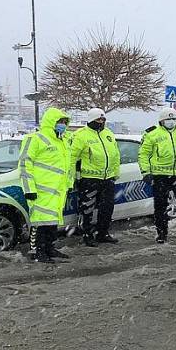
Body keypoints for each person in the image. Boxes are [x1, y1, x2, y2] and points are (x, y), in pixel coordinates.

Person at [18, 107, 74, 263]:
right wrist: (29, 189)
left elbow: (67, 166)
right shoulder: (35, 139)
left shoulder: (63, 141)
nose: (62, 124)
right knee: (40, 223)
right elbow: (24, 165)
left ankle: (49, 248)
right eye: (60, 121)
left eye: (64, 122)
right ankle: (38, 252)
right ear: (51, 122)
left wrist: (68, 185)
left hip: (58, 191)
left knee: (52, 223)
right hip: (40, 190)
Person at [138, 107, 176, 243]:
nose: (171, 121)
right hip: (160, 176)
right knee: (160, 206)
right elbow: (143, 154)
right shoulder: (152, 134)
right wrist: (146, 172)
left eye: (173, 119)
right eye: (168, 119)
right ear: (161, 121)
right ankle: (162, 233)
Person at [70, 108, 121, 247]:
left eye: (103, 119)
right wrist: (73, 177)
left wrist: (115, 173)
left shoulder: (108, 134)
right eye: (98, 119)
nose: (101, 122)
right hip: (89, 179)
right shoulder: (81, 135)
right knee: (87, 209)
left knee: (107, 208)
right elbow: (72, 158)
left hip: (108, 179)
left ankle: (103, 233)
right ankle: (87, 235)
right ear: (91, 120)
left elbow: (116, 155)